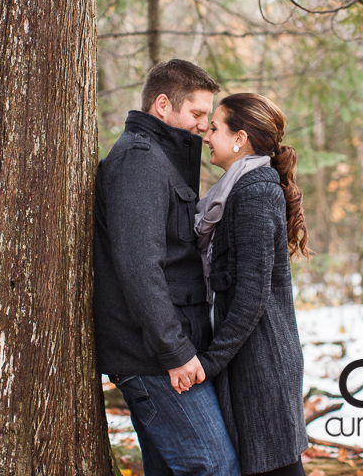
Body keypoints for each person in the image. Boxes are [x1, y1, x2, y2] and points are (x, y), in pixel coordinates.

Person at [93, 59, 241, 476]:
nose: (202, 126)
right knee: (214, 468)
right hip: (154, 358)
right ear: (162, 105)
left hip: (166, 351)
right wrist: (175, 352)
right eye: (196, 113)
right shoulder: (138, 161)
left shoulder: (161, 158)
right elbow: (140, 269)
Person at [195, 93, 310, 476]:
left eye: (214, 127)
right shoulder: (238, 190)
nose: (207, 136)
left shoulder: (255, 192)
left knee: (277, 468)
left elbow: (251, 295)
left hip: (263, 364)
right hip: (250, 359)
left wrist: (211, 362)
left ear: (240, 138)